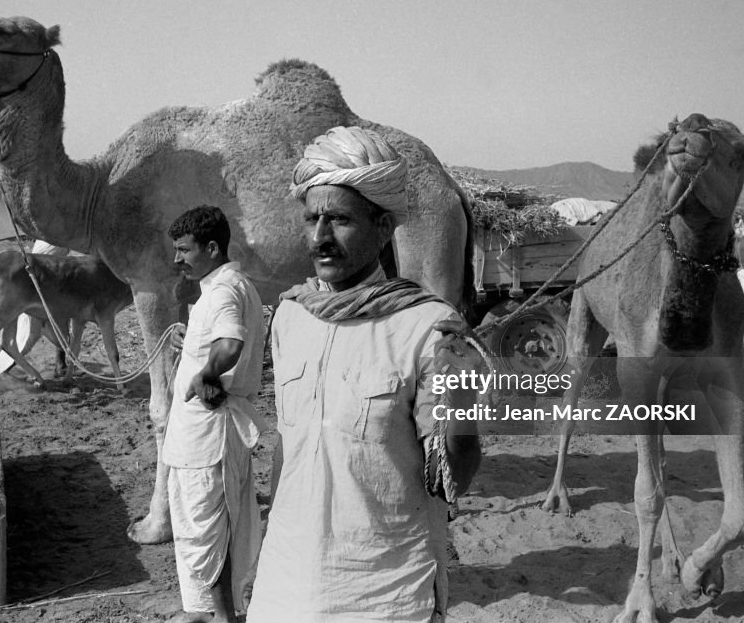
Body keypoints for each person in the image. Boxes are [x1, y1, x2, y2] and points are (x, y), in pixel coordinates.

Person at [247, 127, 483, 622]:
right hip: (285, 580)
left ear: (382, 226)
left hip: (385, 591)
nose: (320, 238)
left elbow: (451, 479)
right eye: (312, 218)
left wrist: (460, 413)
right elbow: (288, 447)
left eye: (339, 220)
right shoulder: (291, 316)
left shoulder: (427, 327)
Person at [128, 206, 266, 623]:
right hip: (202, 434)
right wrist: (193, 348)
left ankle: (220, 618)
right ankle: (205, 612)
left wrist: (205, 371)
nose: (177, 260)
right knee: (200, 527)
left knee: (209, 532)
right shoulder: (229, 287)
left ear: (212, 248)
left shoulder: (224, 291)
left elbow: (230, 344)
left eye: (184, 250)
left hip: (209, 433)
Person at [0, 239, 71, 376]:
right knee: (28, 335)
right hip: (35, 288)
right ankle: (0, 373)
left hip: (51, 286)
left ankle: (61, 366)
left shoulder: (62, 234)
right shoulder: (51, 237)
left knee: (62, 331)